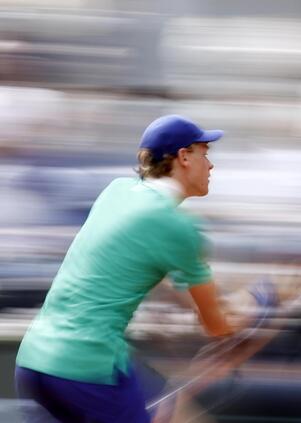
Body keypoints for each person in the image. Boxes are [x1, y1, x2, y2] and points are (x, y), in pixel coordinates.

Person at [14, 115, 275, 423]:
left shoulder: (117, 191)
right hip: (86, 368)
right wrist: (256, 314)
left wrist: (222, 310)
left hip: (34, 361)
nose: (210, 165)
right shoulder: (178, 226)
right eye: (204, 154)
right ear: (183, 157)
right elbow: (216, 326)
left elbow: (136, 269)